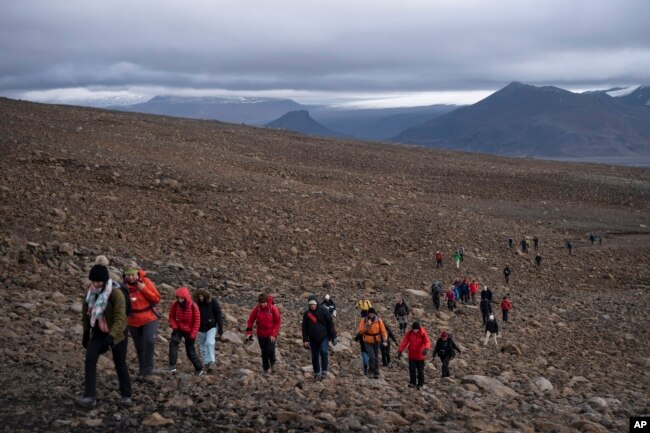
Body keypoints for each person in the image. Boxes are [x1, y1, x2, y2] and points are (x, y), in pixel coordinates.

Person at [76, 264, 131, 408]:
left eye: (99, 281)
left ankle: (126, 395)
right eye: (93, 281)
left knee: (119, 362)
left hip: (118, 333)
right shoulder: (90, 293)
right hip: (99, 330)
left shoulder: (116, 294)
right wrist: (86, 334)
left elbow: (121, 318)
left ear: (105, 280)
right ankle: (89, 396)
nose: (96, 284)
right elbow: (86, 315)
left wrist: (110, 338)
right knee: (90, 358)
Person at [122, 260, 161, 380]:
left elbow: (156, 298)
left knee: (149, 341)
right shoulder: (123, 286)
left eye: (133, 274)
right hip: (132, 320)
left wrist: (144, 289)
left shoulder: (146, 282)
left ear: (137, 273)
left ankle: (148, 371)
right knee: (139, 347)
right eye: (128, 275)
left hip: (149, 318)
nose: (131, 277)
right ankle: (142, 371)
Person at [168, 287, 203, 376]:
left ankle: (199, 368)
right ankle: (172, 365)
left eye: (182, 298)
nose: (180, 300)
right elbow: (171, 317)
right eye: (178, 298)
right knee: (173, 342)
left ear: (186, 297)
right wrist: (175, 327)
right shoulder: (175, 305)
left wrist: (193, 334)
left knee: (190, 352)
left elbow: (197, 322)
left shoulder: (193, 306)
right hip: (179, 328)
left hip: (190, 331)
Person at [302, 296, 337, 380]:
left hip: (324, 336)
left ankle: (324, 371)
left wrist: (333, 336)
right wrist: (305, 340)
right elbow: (304, 328)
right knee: (314, 356)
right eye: (310, 304)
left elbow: (330, 324)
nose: (312, 306)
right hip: (313, 339)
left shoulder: (323, 310)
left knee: (324, 351)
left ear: (316, 303)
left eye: (313, 304)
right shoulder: (307, 314)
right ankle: (317, 373)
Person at [246, 293, 281, 374]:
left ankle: (273, 364)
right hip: (261, 334)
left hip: (271, 334)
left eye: (264, 303)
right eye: (261, 303)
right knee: (264, 352)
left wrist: (273, 334)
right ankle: (265, 368)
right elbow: (250, 320)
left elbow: (278, 321)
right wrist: (249, 332)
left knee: (270, 350)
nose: (262, 305)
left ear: (267, 301)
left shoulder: (272, 308)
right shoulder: (257, 309)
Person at [194, 288, 223, 372]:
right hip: (200, 328)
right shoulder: (196, 304)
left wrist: (220, 327)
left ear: (205, 295)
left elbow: (218, 314)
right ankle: (206, 363)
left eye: (202, 296)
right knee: (203, 346)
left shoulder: (212, 302)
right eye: (199, 296)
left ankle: (212, 362)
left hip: (211, 327)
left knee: (209, 342)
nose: (201, 298)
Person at [397, 322, 431, 390]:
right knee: (412, 370)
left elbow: (427, 341)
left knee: (420, 371)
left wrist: (426, 348)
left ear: (419, 328)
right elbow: (405, 342)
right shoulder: (410, 333)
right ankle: (412, 382)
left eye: (416, 329)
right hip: (412, 355)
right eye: (414, 329)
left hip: (420, 356)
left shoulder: (423, 333)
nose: (415, 330)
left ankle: (420, 384)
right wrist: (400, 350)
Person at [357, 307, 387, 379]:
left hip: (376, 341)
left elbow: (383, 331)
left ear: (374, 313)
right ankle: (370, 371)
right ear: (368, 313)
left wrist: (385, 339)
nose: (371, 315)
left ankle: (376, 372)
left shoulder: (379, 321)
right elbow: (360, 331)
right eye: (370, 313)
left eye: (372, 313)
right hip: (367, 341)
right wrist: (367, 326)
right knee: (372, 356)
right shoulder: (364, 320)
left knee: (376, 357)